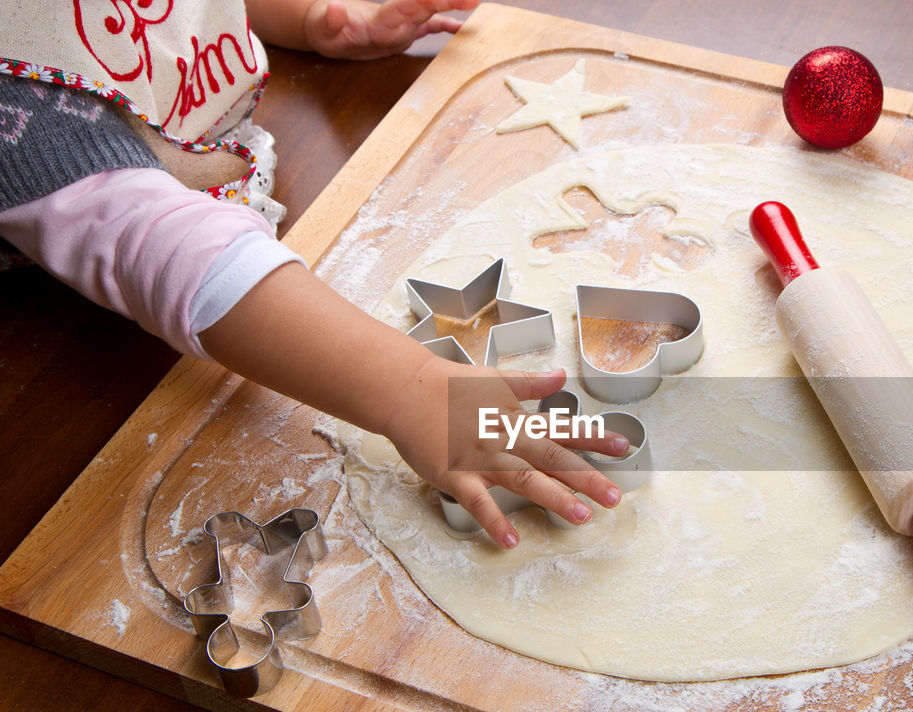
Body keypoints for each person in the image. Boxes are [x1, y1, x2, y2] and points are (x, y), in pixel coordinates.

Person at [0, 0, 627, 550]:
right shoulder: (17, 114)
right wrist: (411, 388)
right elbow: (160, 246)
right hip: (82, 332)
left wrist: (306, 18)